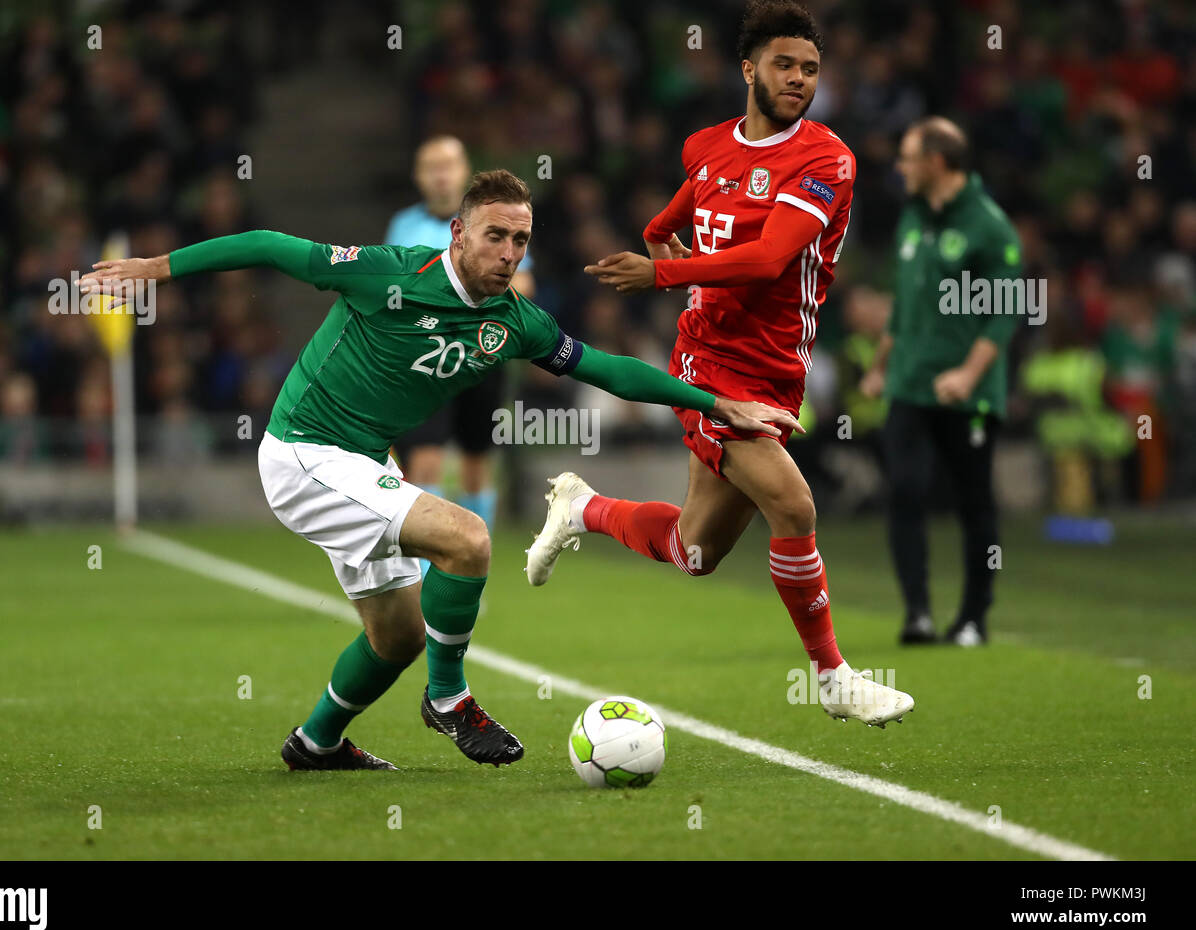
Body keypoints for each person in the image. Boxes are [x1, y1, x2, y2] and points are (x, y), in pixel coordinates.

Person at [80, 170, 795, 770]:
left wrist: (717, 403)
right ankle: (448, 700)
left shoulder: (515, 321)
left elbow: (610, 369)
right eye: (495, 234)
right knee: (469, 539)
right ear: (457, 234)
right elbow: (270, 245)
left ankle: (317, 741)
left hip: (360, 463)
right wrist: (154, 269)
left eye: (520, 239)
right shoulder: (390, 274)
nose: (509, 251)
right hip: (304, 451)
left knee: (398, 636)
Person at [526, 0, 915, 727]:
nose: (798, 79)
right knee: (795, 505)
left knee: (694, 550)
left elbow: (769, 259)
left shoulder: (826, 159)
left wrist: (661, 271)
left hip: (777, 371)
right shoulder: (707, 147)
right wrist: (663, 250)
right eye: (784, 64)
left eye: (809, 69)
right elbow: (664, 222)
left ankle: (582, 506)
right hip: (709, 368)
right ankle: (833, 677)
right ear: (748, 68)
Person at [859, 117, 1022, 647]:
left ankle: (974, 617)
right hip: (909, 385)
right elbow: (905, 305)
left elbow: (1004, 313)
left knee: (974, 502)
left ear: (936, 162)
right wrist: (881, 365)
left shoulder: (989, 227)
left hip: (967, 394)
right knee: (904, 491)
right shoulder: (912, 218)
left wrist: (969, 374)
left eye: (908, 157)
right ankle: (918, 614)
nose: (900, 167)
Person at [385, 136, 534, 565]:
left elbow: (524, 283)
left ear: (463, 170)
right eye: (432, 166)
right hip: (428, 358)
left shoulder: (493, 220)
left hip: (482, 358)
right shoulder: (403, 227)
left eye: (448, 165)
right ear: (419, 176)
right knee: (426, 461)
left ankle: (471, 565)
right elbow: (398, 290)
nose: (441, 174)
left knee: (475, 466)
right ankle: (431, 568)